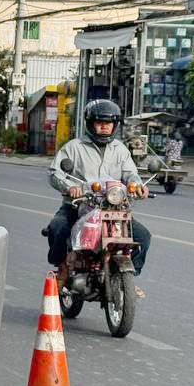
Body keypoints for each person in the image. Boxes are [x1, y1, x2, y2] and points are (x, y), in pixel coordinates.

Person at [46, 98, 152, 276]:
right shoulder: (74, 147)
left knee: (143, 237)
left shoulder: (120, 149)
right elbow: (54, 173)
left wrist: (137, 185)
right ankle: (61, 266)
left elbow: (130, 173)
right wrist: (70, 187)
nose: (105, 127)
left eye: (109, 123)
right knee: (58, 227)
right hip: (78, 206)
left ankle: (129, 280)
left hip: (112, 209)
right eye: (99, 122)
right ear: (90, 124)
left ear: (115, 125)